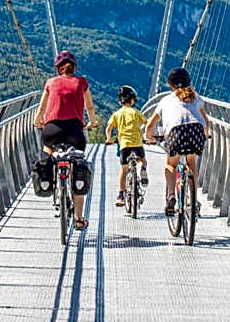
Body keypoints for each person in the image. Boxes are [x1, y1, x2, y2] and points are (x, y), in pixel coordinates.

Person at [34, 50, 98, 230]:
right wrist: (92, 123)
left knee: (48, 152)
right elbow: (90, 107)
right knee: (78, 165)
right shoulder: (82, 82)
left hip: (51, 130)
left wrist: (37, 121)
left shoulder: (50, 82)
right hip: (75, 132)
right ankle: (79, 219)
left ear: (57, 69)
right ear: (74, 67)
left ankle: (50, 178)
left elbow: (42, 107)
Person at [145, 67, 211, 215]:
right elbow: (206, 122)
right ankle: (193, 200)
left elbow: (150, 125)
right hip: (196, 131)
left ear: (170, 85)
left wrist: (149, 137)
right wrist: (205, 135)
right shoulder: (195, 97)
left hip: (175, 133)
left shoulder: (165, 100)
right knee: (191, 162)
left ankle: (171, 196)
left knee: (171, 164)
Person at [105, 85, 148, 206]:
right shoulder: (135, 112)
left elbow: (109, 128)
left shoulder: (117, 114)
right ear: (132, 101)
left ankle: (120, 195)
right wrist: (149, 136)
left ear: (120, 101)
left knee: (124, 169)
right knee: (143, 161)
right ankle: (143, 171)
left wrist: (109, 139)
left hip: (124, 145)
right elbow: (146, 123)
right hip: (138, 143)